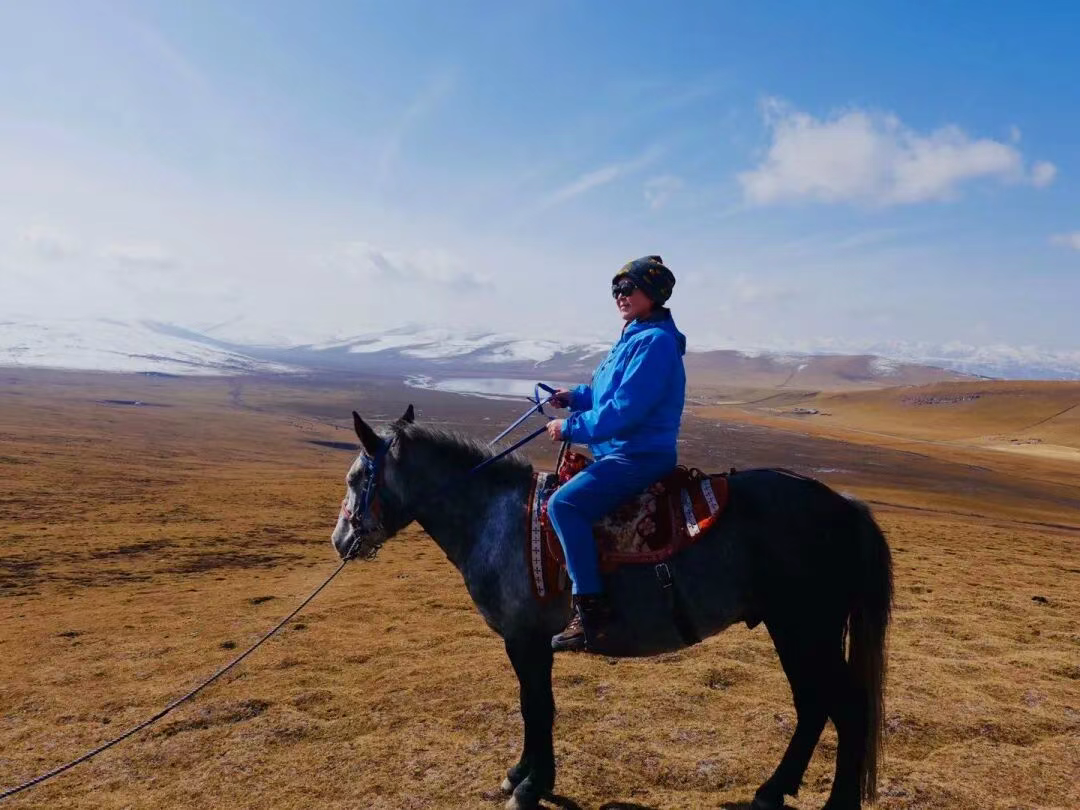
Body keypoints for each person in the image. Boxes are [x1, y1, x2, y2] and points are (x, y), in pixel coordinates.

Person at [544, 255, 686, 652]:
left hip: (637, 454)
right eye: (616, 288)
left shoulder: (654, 343)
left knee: (564, 506)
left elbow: (626, 409)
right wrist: (575, 397)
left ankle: (591, 611)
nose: (620, 295)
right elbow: (608, 394)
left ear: (653, 294)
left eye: (629, 287)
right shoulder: (635, 336)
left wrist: (570, 428)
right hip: (621, 450)